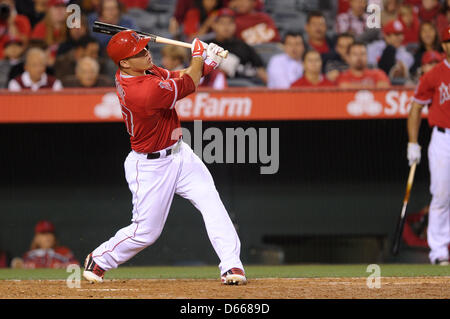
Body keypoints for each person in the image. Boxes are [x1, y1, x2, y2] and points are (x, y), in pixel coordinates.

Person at [82, 31, 247, 285]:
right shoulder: (142, 91)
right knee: (146, 232)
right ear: (124, 63)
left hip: (180, 153)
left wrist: (205, 64)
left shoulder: (143, 72)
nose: (146, 52)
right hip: (151, 165)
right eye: (138, 52)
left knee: (211, 202)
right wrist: (198, 57)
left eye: (144, 48)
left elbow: (178, 76)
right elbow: (188, 85)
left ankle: (232, 266)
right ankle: (100, 258)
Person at [407, 26, 450, 266]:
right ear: (443, 46)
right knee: (442, 195)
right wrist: (413, 143)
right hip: (443, 138)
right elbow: (415, 108)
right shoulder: (433, 75)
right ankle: (439, 251)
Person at [210, 8, 267, 84]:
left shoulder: (244, 46)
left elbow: (261, 72)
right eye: (222, 23)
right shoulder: (207, 46)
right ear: (214, 25)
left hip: (242, 89)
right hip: (213, 87)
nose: (226, 27)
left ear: (235, 25)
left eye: (230, 23)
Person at [11, 220, 79, 269]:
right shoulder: (30, 255)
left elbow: (76, 266)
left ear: (54, 237)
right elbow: (18, 265)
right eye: (43, 233)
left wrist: (58, 265)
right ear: (36, 238)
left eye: (50, 233)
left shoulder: (64, 252)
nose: (47, 237)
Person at [377, 20, 414, 84]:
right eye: (396, 34)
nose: (400, 38)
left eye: (401, 34)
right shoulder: (374, 48)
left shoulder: (407, 56)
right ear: (386, 36)